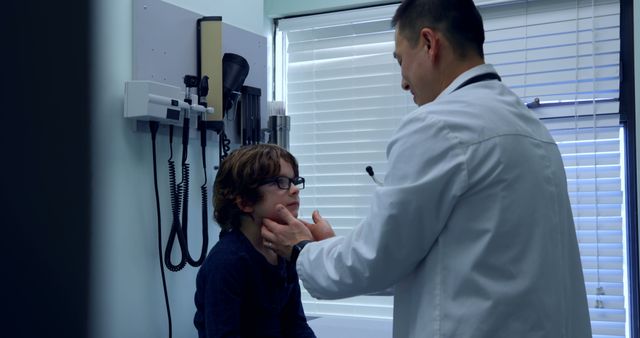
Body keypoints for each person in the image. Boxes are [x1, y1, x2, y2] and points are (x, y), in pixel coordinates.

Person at [261, 0, 592, 337]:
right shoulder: (530, 128)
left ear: (430, 43)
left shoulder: (439, 126)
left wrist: (302, 250)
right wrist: (328, 247)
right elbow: (425, 260)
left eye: (401, 61)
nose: (404, 83)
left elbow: (375, 260)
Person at [193, 144, 316, 338]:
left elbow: (295, 325)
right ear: (245, 202)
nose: (294, 190)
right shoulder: (226, 263)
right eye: (280, 182)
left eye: (293, 181)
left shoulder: (283, 250)